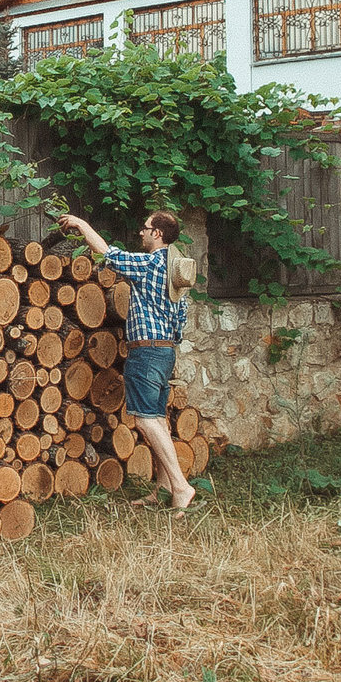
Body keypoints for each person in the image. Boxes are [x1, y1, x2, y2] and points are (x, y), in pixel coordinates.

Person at [56, 208, 197, 510]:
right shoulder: (176, 270)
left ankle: (181, 487)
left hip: (146, 351)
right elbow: (181, 317)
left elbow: (110, 255)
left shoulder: (151, 264)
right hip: (165, 351)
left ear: (158, 234)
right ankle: (162, 489)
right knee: (157, 418)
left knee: (146, 421)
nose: (142, 233)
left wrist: (81, 222)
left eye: (146, 228)